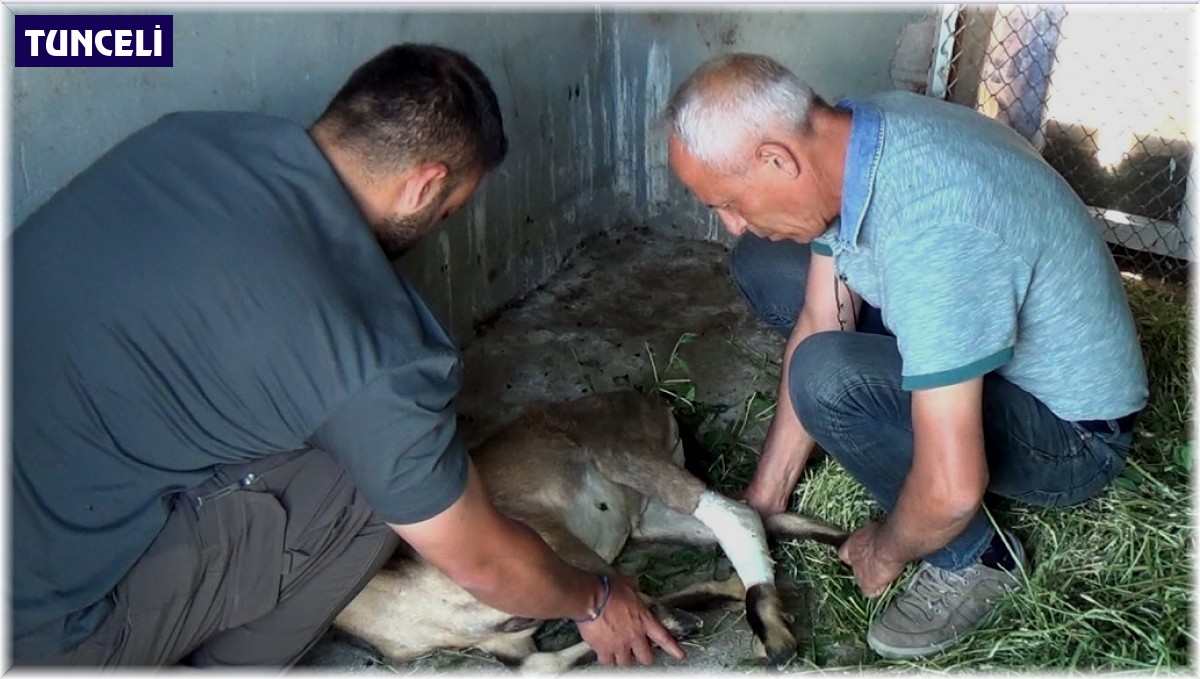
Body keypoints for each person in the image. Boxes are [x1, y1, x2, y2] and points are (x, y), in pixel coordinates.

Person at [11, 43, 684, 668]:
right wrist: (595, 596)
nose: (440, 224)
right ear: (424, 187)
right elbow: (481, 559)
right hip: (49, 635)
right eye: (450, 210)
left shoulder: (183, 138)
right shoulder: (378, 356)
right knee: (370, 483)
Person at [663, 53, 1147, 660]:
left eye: (729, 202)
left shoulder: (935, 227)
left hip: (1073, 434)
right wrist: (765, 498)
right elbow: (821, 314)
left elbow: (951, 489)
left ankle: (978, 559)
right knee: (765, 264)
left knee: (827, 379)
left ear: (775, 160)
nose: (732, 223)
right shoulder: (851, 135)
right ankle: (914, 387)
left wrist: (883, 548)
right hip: (983, 324)